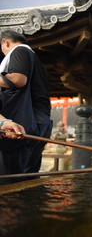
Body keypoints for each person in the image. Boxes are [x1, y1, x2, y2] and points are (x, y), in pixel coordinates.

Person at [0, 30, 52, 184]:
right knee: (28, 179)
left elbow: (18, 79)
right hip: (40, 121)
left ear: (6, 42)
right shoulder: (36, 61)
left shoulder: (20, 51)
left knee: (11, 180)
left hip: (23, 122)